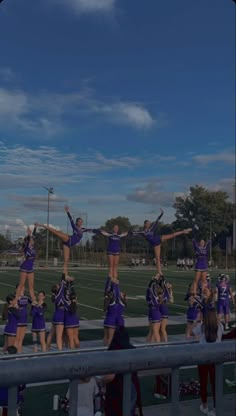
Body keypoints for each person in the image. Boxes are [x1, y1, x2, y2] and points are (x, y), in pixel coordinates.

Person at [37, 206, 97, 278]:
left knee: (66, 259)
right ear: (77, 222)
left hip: (68, 245)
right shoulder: (74, 226)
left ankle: (65, 274)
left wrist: (100, 232)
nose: (80, 223)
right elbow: (70, 219)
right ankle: (42, 225)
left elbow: (92, 230)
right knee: (56, 232)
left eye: (81, 221)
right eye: (79, 221)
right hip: (68, 239)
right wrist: (67, 212)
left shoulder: (83, 229)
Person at [131, 209, 191, 276]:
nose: (149, 224)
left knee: (172, 235)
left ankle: (183, 231)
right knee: (158, 258)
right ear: (145, 224)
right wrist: (126, 233)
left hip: (159, 238)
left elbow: (157, 220)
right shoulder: (143, 232)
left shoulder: (152, 228)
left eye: (149, 223)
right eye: (148, 223)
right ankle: (159, 272)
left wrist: (162, 213)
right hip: (156, 244)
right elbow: (134, 233)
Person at [103, 328, 143, 416]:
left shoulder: (113, 351)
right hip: (132, 386)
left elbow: (110, 376)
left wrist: (100, 381)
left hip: (117, 389)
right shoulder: (132, 349)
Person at [192, 304, 223, 416]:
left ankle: (204, 405)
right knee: (216, 383)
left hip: (203, 357)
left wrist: (197, 319)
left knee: (203, 382)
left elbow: (191, 332)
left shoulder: (202, 326)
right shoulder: (219, 326)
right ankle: (215, 407)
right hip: (216, 358)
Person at [15, 225, 37, 304]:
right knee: (21, 285)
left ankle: (34, 301)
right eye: (31, 239)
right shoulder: (27, 246)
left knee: (31, 286)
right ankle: (15, 299)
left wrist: (35, 227)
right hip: (24, 266)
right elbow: (27, 239)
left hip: (30, 268)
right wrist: (29, 234)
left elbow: (33, 236)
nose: (33, 240)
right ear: (29, 241)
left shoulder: (33, 248)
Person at [103, 277, 126, 346]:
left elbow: (115, 292)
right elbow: (115, 292)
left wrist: (113, 282)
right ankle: (109, 350)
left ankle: (105, 349)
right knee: (111, 338)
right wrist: (114, 283)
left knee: (106, 337)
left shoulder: (119, 302)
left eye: (122, 294)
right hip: (114, 321)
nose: (121, 293)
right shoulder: (118, 302)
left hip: (108, 320)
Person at [191, 225, 214, 295]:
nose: (202, 243)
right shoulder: (197, 248)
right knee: (196, 280)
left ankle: (203, 293)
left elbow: (210, 241)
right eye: (201, 242)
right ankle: (194, 293)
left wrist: (213, 235)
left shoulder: (206, 248)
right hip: (198, 266)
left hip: (204, 266)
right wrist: (193, 230)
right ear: (199, 243)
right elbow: (194, 240)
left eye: (203, 242)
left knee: (204, 281)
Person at [15, 286, 32, 353]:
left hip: (24, 320)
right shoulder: (15, 297)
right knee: (16, 338)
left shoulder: (26, 297)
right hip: (17, 320)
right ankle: (14, 354)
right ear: (17, 289)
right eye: (21, 288)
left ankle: (19, 353)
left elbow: (34, 303)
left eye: (23, 288)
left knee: (21, 339)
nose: (23, 289)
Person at [146, 277, 163, 343]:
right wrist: (153, 281)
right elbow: (149, 289)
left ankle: (158, 347)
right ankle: (148, 345)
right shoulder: (151, 298)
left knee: (155, 332)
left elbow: (151, 288)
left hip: (156, 315)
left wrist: (153, 280)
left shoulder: (156, 298)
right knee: (151, 332)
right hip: (151, 315)